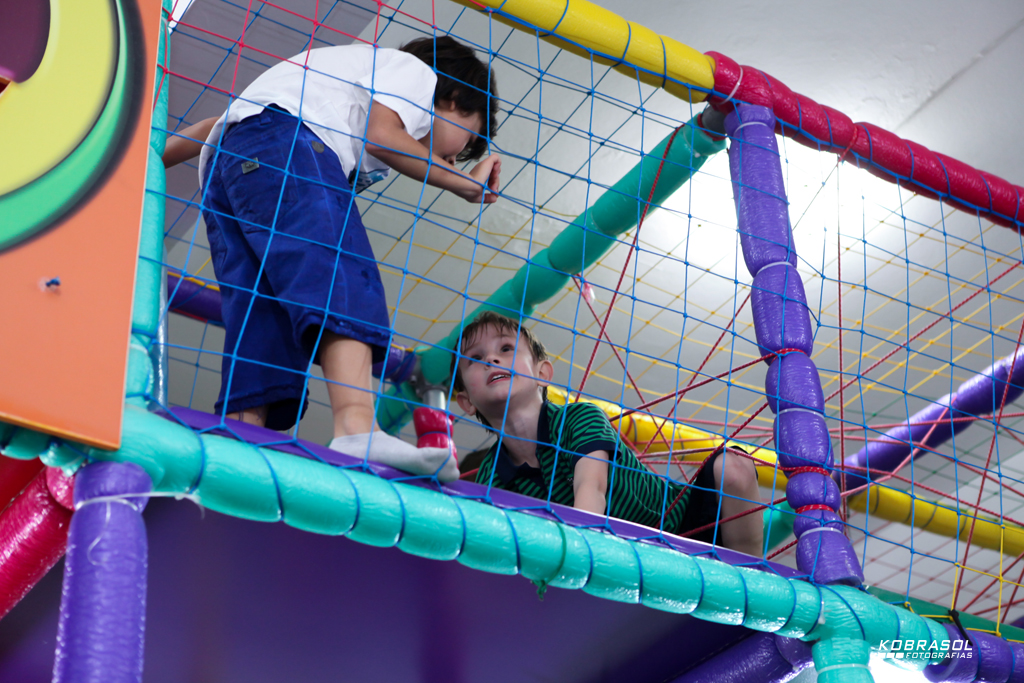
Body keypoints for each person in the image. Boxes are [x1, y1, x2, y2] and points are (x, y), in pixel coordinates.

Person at [175, 36, 501, 482]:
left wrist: (152, 157)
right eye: (468, 138)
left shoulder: (325, 88)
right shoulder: (414, 74)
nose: (456, 155)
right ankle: (355, 425)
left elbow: (222, 120)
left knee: (260, 311)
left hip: (228, 170)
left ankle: (237, 436)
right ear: (452, 98)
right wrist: (462, 182)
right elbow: (386, 137)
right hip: (286, 145)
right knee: (341, 272)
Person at [451, 311, 764, 556]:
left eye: (506, 349)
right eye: (475, 359)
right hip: (625, 555)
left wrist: (577, 553)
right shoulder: (490, 477)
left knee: (733, 466)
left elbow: (592, 488)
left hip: (684, 523)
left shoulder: (579, 417)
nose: (491, 359)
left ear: (543, 374)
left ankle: (749, 581)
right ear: (465, 400)